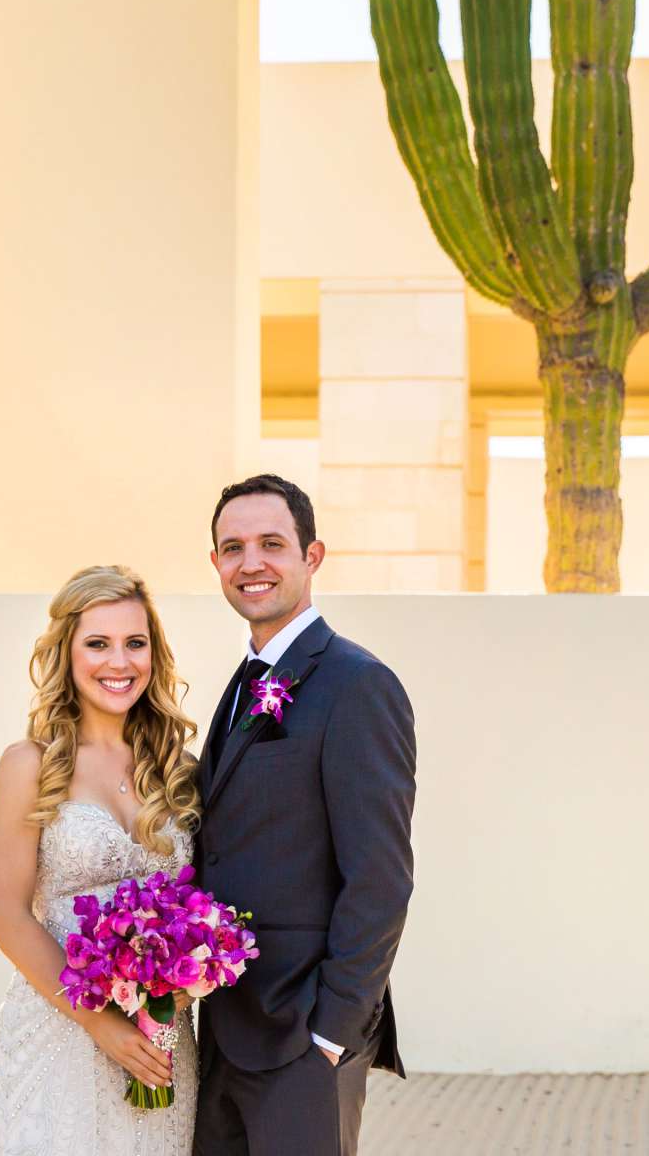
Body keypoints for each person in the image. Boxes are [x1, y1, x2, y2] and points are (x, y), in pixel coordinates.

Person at [192, 474, 416, 1156]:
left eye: (271, 544)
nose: (250, 562)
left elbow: (380, 877)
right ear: (216, 566)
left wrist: (329, 1035)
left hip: (301, 1035)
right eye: (233, 548)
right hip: (227, 1028)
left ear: (311, 556)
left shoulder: (356, 684)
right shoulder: (240, 686)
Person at [0, 564, 202, 1154]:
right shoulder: (28, 764)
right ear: (67, 653)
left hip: (159, 1038)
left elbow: (201, 905)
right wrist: (100, 1023)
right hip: (60, 1031)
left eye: (135, 643)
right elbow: (4, 915)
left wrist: (198, 973)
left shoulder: (177, 768)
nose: (119, 662)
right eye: (97, 644)